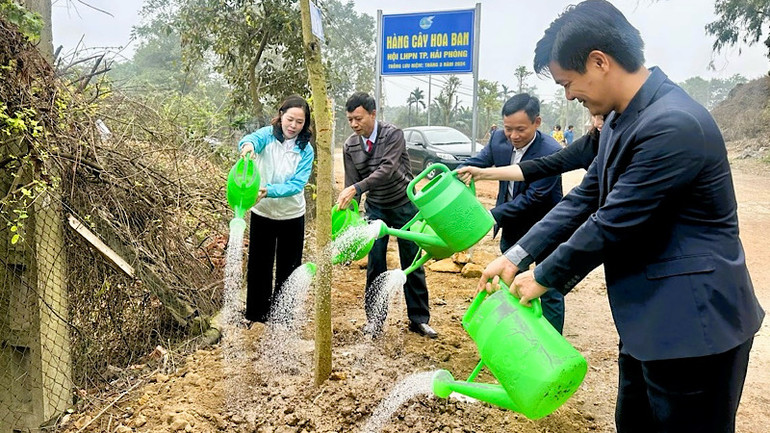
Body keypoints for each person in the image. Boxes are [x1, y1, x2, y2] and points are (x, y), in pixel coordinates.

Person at [479, 1, 764, 431]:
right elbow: (584, 198)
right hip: (647, 324)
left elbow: (613, 221)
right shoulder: (617, 121)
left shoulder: (673, 124)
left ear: (599, 61)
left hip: (695, 327)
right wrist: (517, 254)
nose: (569, 95)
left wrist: (542, 277)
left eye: (569, 82)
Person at [460, 93, 566, 332]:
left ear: (537, 123)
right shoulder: (499, 139)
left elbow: (533, 198)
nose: (513, 136)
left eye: (520, 129)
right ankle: (518, 334)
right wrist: (459, 171)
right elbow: (479, 161)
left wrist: (492, 215)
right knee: (510, 282)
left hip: (546, 227)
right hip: (513, 227)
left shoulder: (551, 151)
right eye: (509, 129)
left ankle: (550, 343)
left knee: (548, 287)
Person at [336, 92, 436, 339]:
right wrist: (349, 217)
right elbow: (353, 183)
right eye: (350, 119)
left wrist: (357, 188)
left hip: (404, 205)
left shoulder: (393, 134)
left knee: (411, 261)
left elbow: (388, 170)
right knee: (375, 263)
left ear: (373, 114)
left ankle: (419, 319)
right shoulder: (350, 145)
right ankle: (374, 321)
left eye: (358, 118)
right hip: (376, 208)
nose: (354, 124)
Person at [238, 95, 315, 324]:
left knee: (288, 267)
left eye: (299, 122)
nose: (293, 126)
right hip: (263, 212)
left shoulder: (306, 149)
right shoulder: (267, 136)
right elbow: (250, 140)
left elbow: (297, 184)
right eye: (290, 119)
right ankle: (256, 315)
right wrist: (248, 147)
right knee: (259, 265)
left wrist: (268, 190)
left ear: (305, 124)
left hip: (292, 215)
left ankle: (282, 316)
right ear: (281, 115)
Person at [457, 114, 603, 184]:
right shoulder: (590, 143)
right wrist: (481, 174)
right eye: (593, 115)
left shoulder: (551, 148)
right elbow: (540, 166)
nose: (597, 123)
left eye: (603, 117)